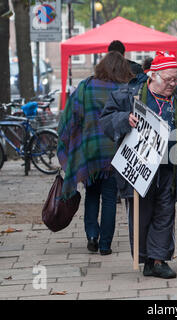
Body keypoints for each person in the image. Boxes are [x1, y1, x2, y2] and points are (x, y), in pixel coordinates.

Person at [100, 51, 177, 279]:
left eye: (176, 79)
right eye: (168, 80)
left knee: (165, 213)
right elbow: (106, 121)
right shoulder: (129, 94)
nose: (173, 84)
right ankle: (146, 258)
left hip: (170, 166)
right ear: (153, 76)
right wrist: (123, 119)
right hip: (138, 167)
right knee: (141, 214)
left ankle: (159, 260)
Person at [57, 51, 134, 256]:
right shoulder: (124, 90)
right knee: (110, 198)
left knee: (92, 194)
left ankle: (92, 235)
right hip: (115, 152)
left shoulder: (86, 87)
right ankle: (105, 245)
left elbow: (69, 118)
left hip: (91, 152)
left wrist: (70, 143)